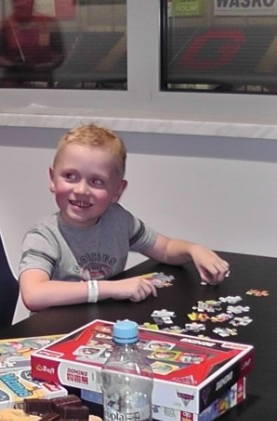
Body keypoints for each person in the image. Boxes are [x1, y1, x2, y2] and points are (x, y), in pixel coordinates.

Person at [18, 124, 229, 311]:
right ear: (52, 179)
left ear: (117, 191)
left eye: (97, 181)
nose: (81, 190)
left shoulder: (118, 220)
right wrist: (110, 288)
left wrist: (194, 250)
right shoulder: (44, 236)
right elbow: (33, 295)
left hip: (104, 322)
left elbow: (165, 249)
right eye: (70, 176)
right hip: (55, 333)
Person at [0, 0, 65, 87]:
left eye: (26, 6)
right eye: (19, 7)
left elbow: (59, 55)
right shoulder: (5, 24)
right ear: (14, 4)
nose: (23, 10)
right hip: (13, 83)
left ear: (32, 4)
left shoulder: (48, 22)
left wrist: (42, 66)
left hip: (42, 82)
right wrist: (13, 65)